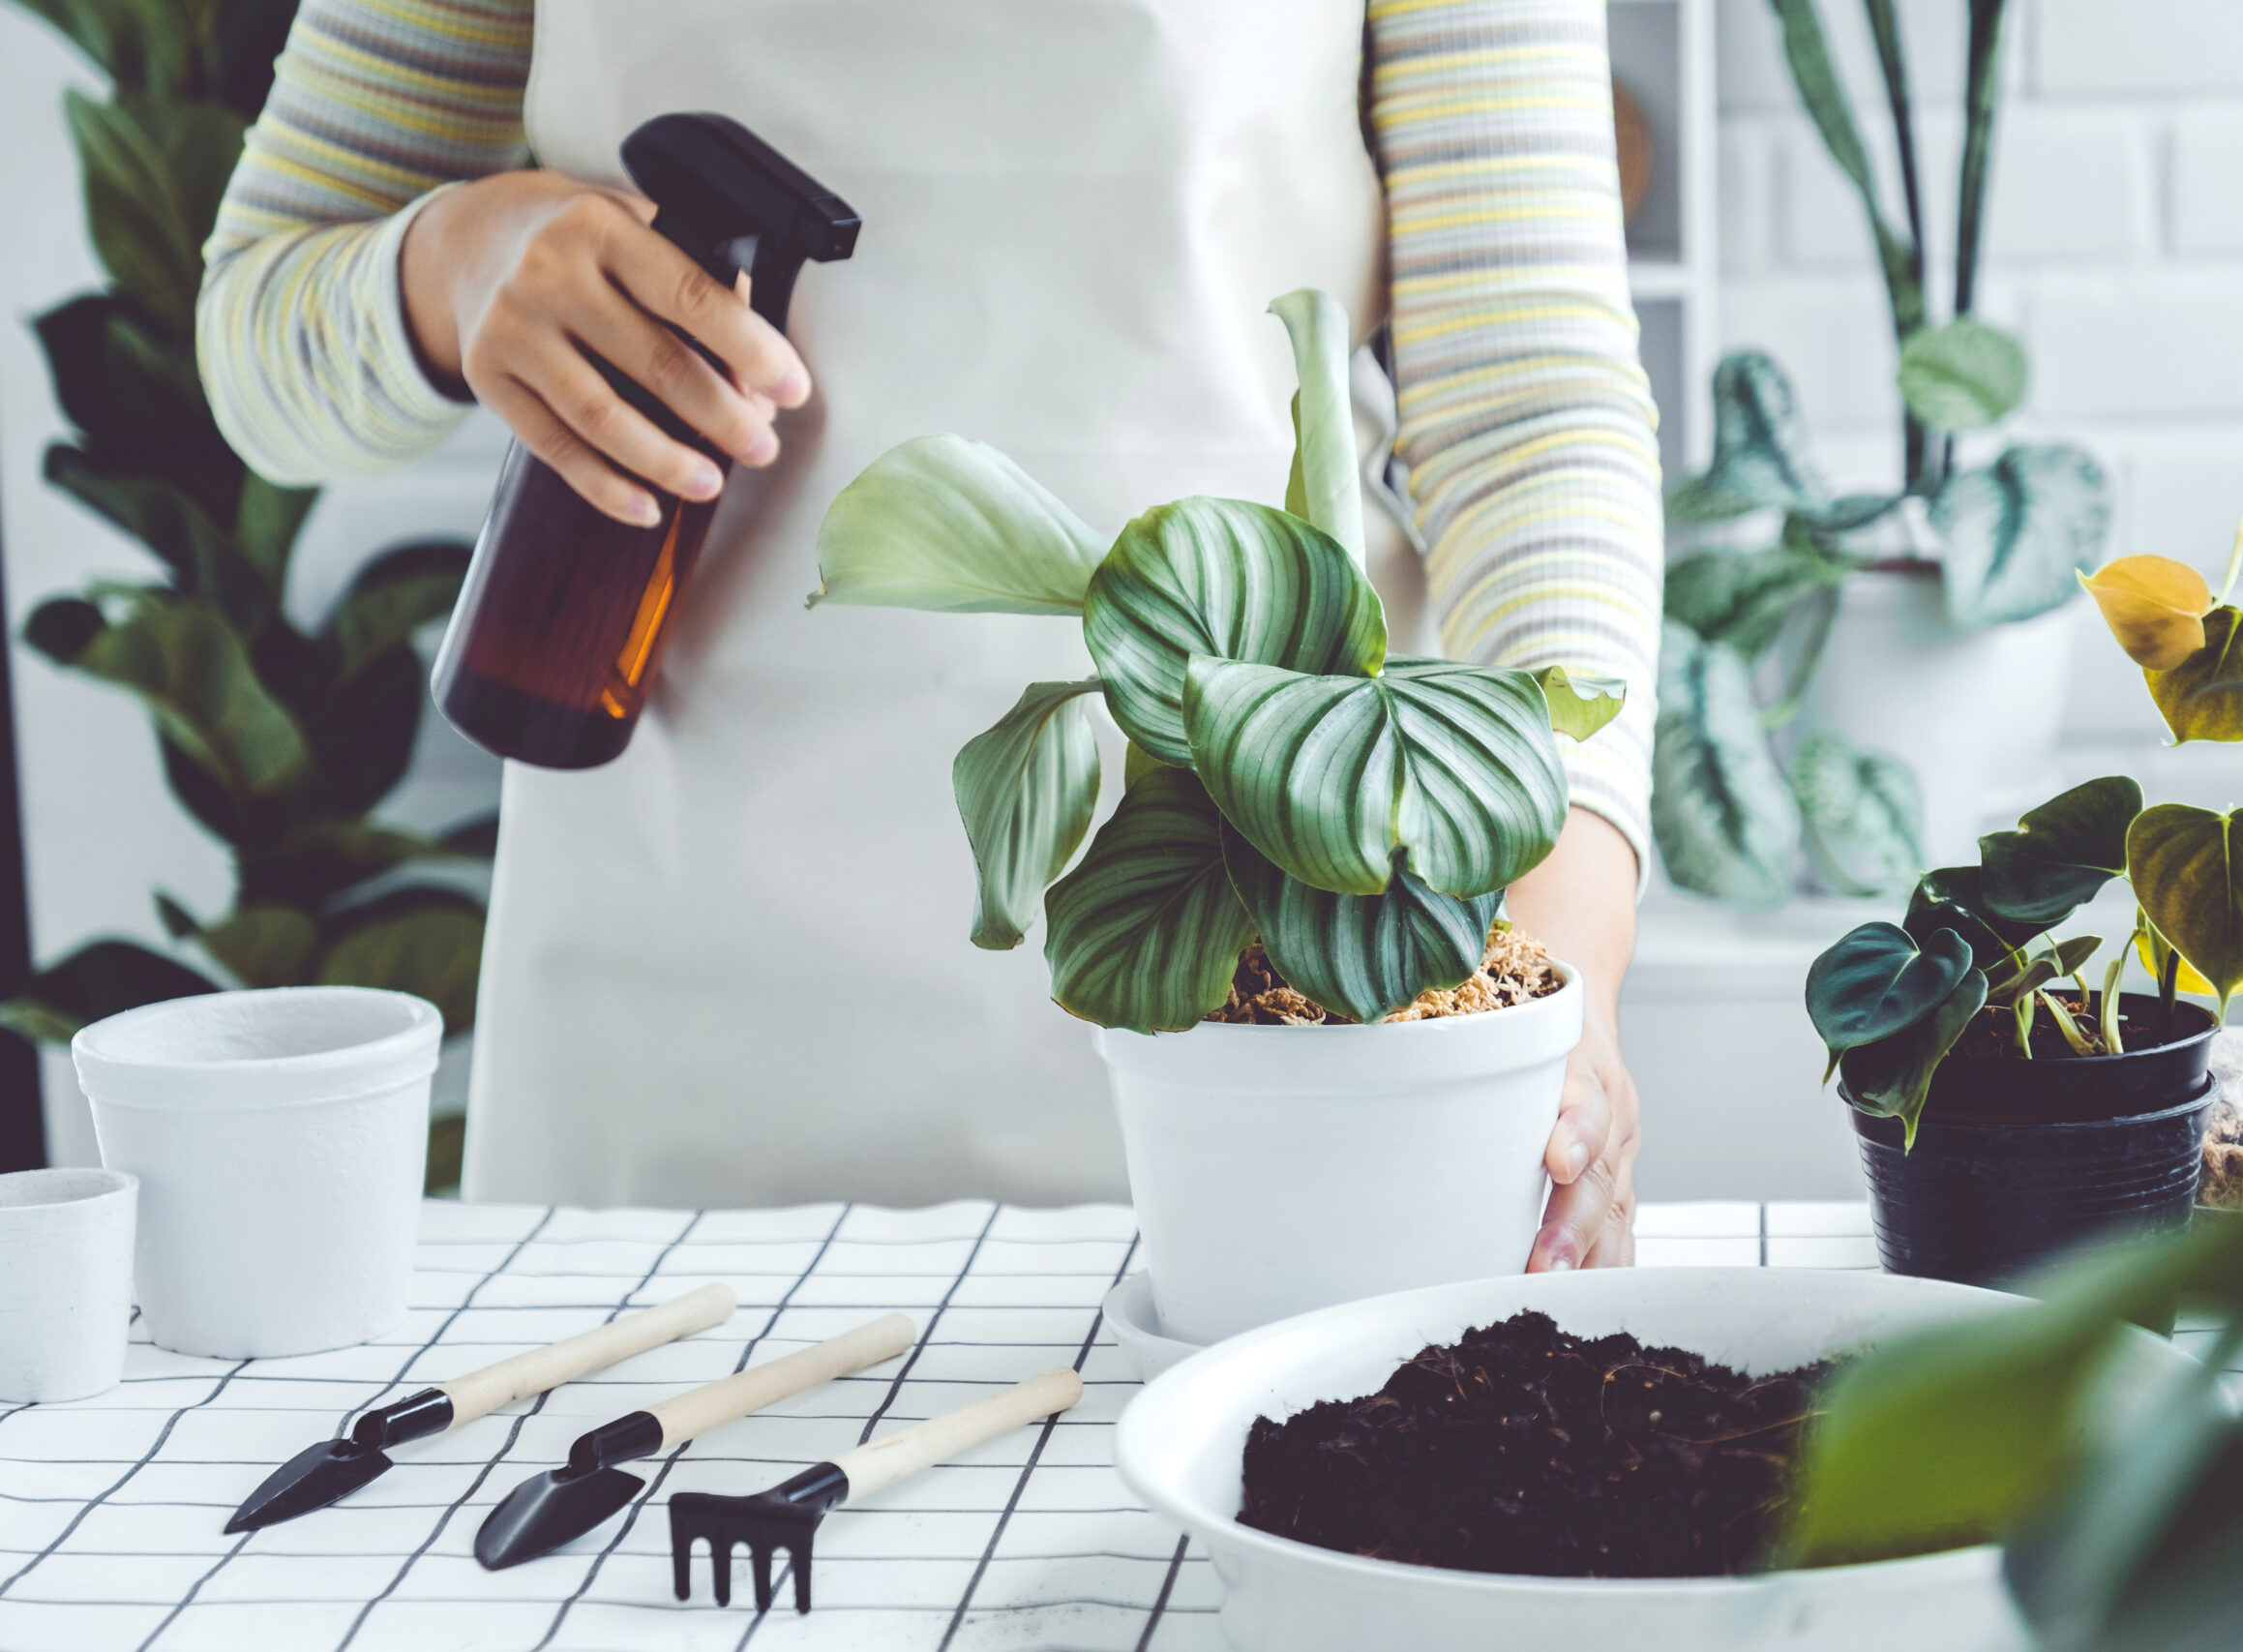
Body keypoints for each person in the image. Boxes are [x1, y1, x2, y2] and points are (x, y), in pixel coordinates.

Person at [200, 0, 1663, 1271]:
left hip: (1273, 987)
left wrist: (1559, 972)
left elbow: (1529, 411)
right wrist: (454, 266)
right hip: (669, 1003)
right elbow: (260, 337)